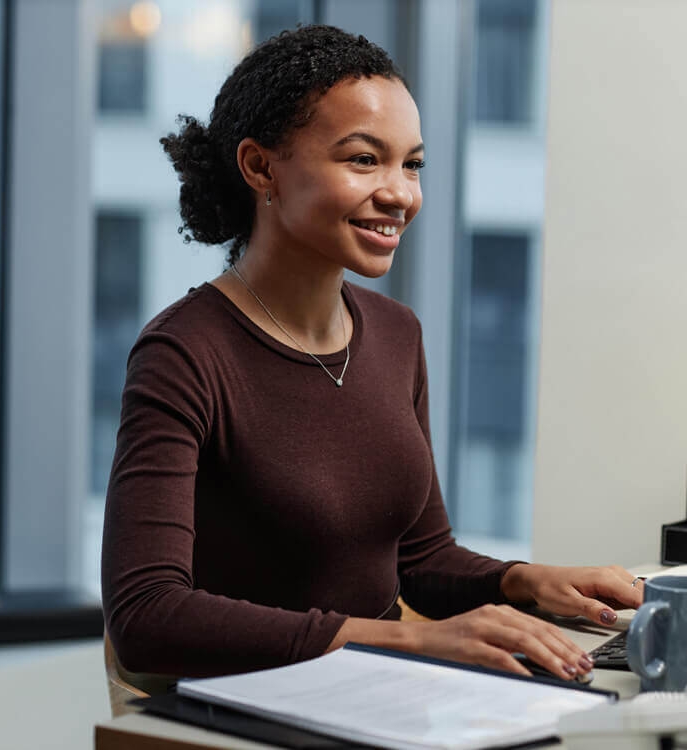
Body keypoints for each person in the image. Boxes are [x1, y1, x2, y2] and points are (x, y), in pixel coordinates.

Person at [101, 24, 641, 684]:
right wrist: (407, 641)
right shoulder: (183, 354)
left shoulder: (396, 333)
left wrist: (528, 581)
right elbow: (145, 619)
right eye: (363, 160)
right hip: (248, 706)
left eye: (411, 163)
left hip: (380, 690)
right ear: (260, 166)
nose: (400, 194)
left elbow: (422, 559)